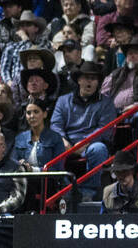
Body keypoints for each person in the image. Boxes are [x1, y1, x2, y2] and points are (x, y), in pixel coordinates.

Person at [50, 61, 117, 199]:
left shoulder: (107, 103)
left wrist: (83, 144)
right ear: (79, 80)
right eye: (86, 78)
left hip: (90, 144)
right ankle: (63, 188)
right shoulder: (63, 100)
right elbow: (55, 125)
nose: (89, 82)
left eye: (93, 79)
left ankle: (88, 191)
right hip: (66, 144)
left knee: (99, 149)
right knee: (50, 146)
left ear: (98, 82)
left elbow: (105, 129)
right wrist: (63, 141)